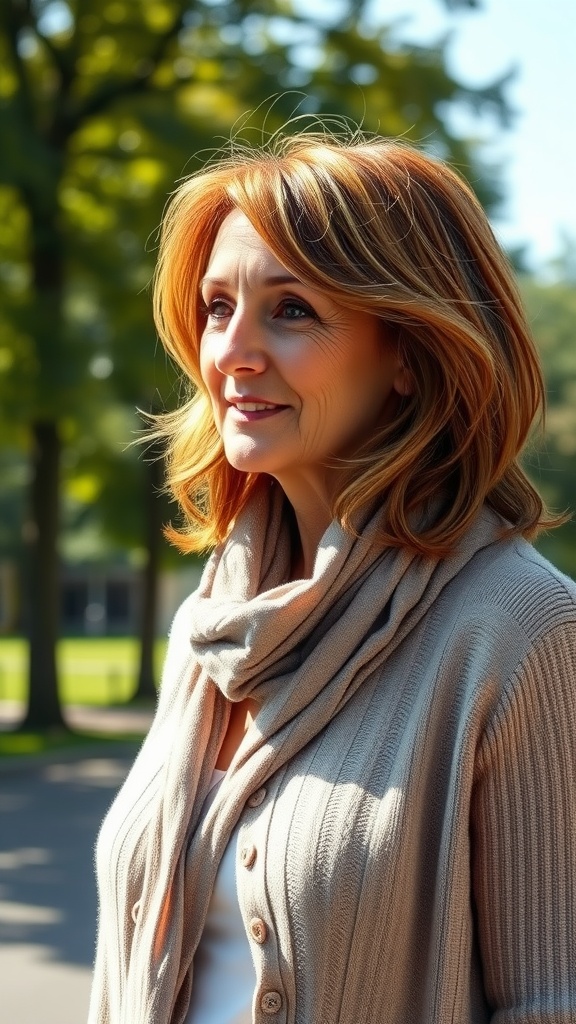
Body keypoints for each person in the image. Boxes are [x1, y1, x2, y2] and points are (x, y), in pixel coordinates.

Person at [87, 127, 576, 1024]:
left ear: (409, 351)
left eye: (293, 310)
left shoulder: (524, 631)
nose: (232, 352)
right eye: (218, 306)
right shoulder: (211, 627)